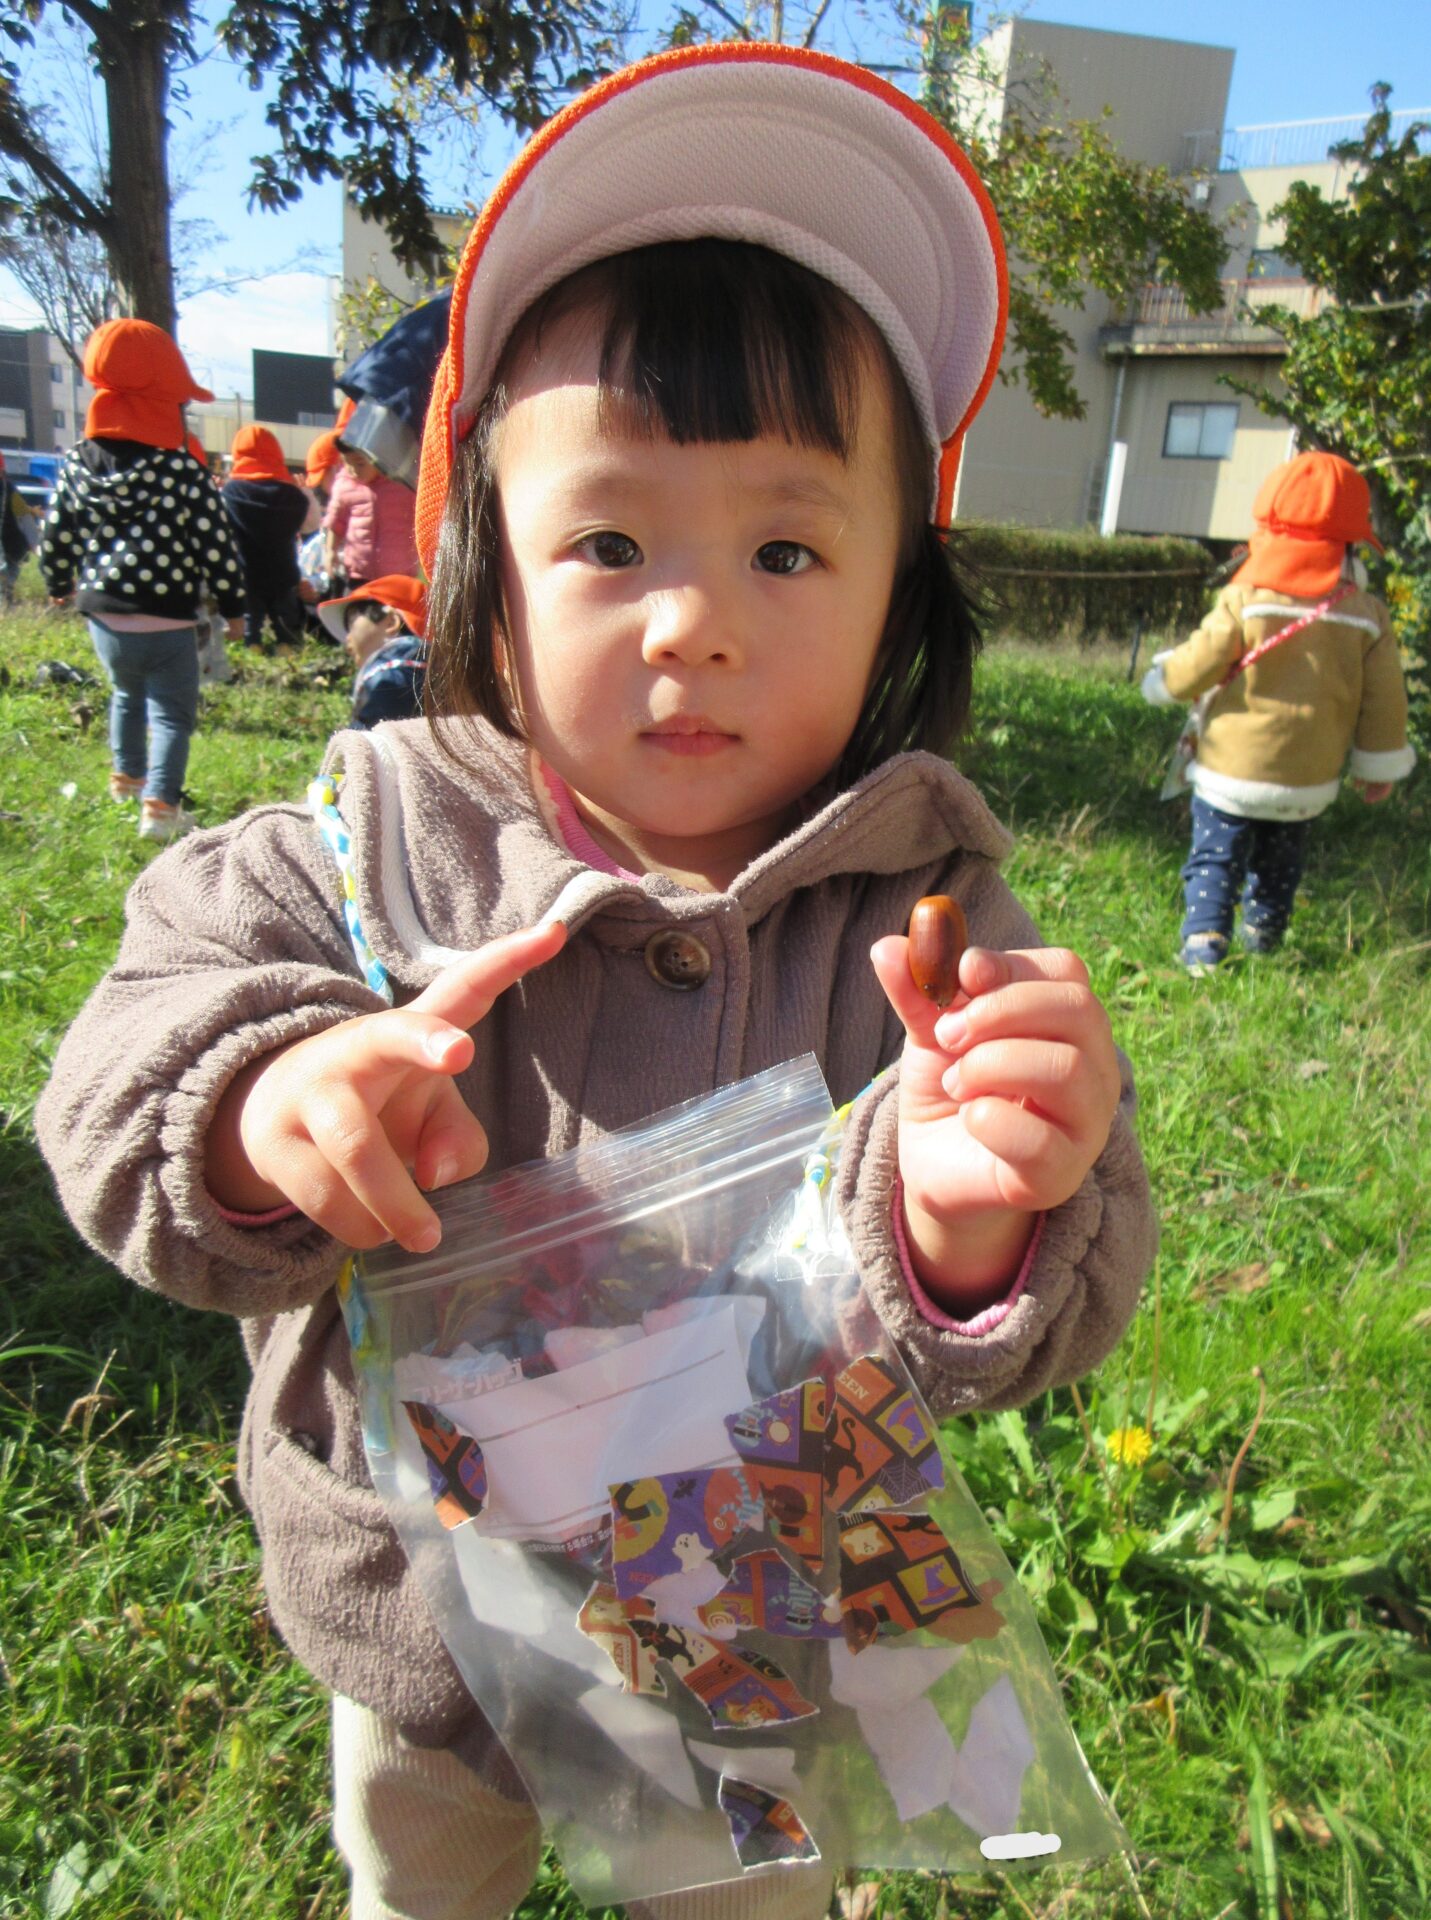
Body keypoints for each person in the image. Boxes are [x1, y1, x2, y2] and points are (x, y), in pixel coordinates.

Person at [36, 48, 1156, 1919]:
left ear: (901, 591)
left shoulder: (921, 920)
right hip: (426, 1617)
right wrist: (260, 1110)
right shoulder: (363, 845)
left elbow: (1045, 1292)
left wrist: (968, 1217)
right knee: (423, 1873)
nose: (692, 619)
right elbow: (120, 1067)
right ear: (484, 564)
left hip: (749, 1611)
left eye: (786, 546)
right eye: (611, 542)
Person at [1143, 450, 1415, 971]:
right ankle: (1264, 934)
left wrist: (1162, 682)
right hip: (1308, 778)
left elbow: (1199, 663)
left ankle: (1203, 942)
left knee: (1216, 855)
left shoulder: (1246, 598)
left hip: (1230, 769)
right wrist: (1377, 766)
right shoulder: (1367, 615)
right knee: (1281, 860)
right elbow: (1385, 700)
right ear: (1351, 546)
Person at [35, 318, 246, 842]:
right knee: (171, 714)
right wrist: (233, 607)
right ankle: (160, 806)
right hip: (167, 616)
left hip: (105, 615)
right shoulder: (182, 470)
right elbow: (216, 544)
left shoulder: (78, 464)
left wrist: (58, 581)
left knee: (124, 694)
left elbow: (57, 531)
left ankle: (126, 781)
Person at [220, 424, 311, 654]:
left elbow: (221, 528)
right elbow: (312, 524)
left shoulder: (231, 492)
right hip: (284, 570)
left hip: (247, 571)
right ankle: (286, 647)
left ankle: (253, 646)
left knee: (251, 616)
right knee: (285, 617)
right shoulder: (293, 496)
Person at [318, 573, 428, 727]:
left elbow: (370, 737)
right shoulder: (432, 671)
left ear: (391, 622)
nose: (347, 638)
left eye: (351, 623)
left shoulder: (390, 679)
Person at [321, 440, 419, 595]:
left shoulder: (402, 483)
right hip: (358, 572)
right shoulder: (345, 484)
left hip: (398, 573)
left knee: (395, 608)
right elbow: (336, 521)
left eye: (360, 464)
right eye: (347, 463)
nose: (353, 470)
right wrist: (330, 551)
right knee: (359, 607)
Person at [0, 449, 34, 604]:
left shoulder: (10, 491)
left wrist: (34, 542)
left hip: (11, 548)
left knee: (5, 584)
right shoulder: (10, 489)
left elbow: (25, 518)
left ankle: (5, 604)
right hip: (11, 549)